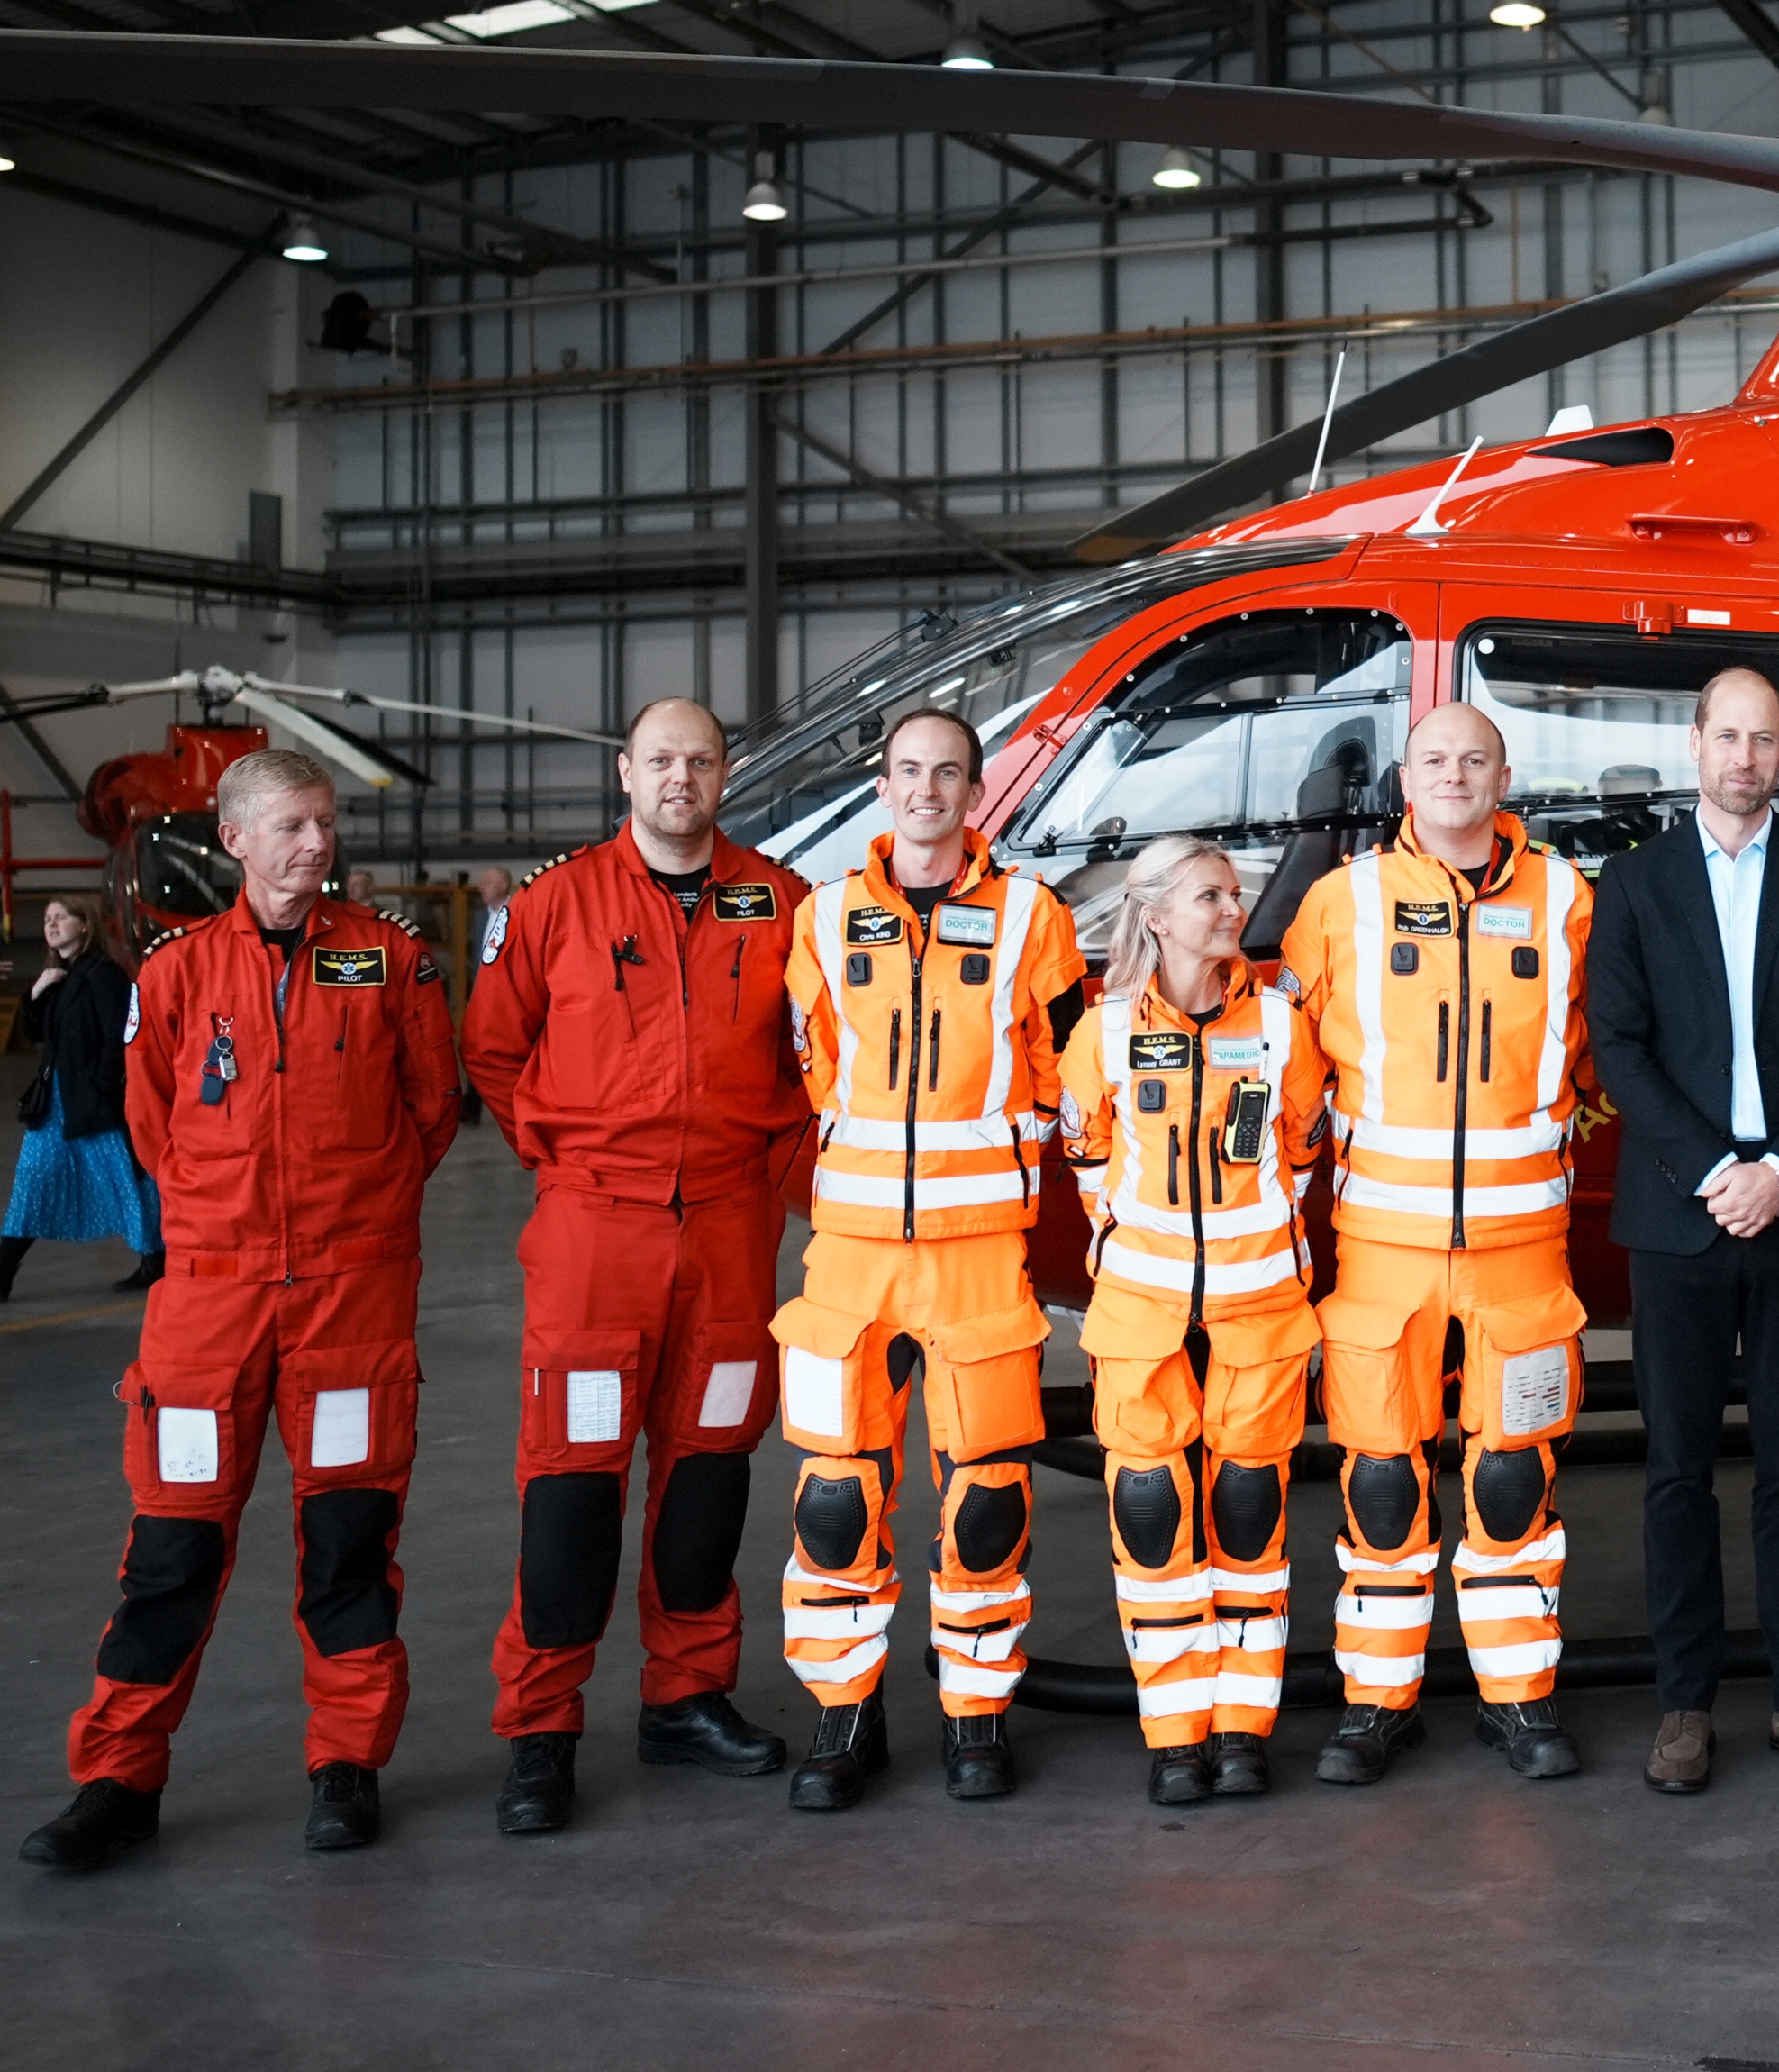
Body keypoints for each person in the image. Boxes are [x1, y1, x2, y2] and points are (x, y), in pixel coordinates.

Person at [19, 750, 459, 1869]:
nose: (315, 843)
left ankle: (345, 1766)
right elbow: (155, 1127)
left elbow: (429, 1112)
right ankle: (117, 1778)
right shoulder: (170, 978)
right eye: (293, 826)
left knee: (348, 1546)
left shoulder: (390, 958)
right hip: (206, 1308)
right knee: (169, 1550)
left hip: (352, 1302)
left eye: (326, 823)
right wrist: (231, 1229)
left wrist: (345, 1213)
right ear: (236, 841)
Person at [462, 699, 809, 1835]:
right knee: (571, 1483)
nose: (680, 777)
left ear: (724, 774)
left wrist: (768, 1179)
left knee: (710, 1470)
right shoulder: (555, 904)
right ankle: (542, 1727)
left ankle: (687, 1695)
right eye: (660, 759)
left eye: (699, 760)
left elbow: (818, 1055)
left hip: (726, 1233)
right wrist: (567, 1163)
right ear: (625, 772)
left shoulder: (781, 901)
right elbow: (494, 1049)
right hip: (594, 1239)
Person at [1586, 668, 1779, 1795]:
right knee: (1674, 1471)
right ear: (1695, 739)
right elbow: (1618, 1043)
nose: (1744, 757)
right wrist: (1719, 1169)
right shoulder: (1633, 880)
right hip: (1681, 1214)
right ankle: (1684, 1704)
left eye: (1763, 739)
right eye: (1727, 735)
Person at [773, 707, 1088, 1810]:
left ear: (973, 788)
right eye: (908, 771)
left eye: (947, 773)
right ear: (883, 782)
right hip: (849, 1256)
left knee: (985, 1496)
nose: (925, 791)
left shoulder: (1029, 918)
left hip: (976, 1256)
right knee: (834, 1498)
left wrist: (1007, 1153)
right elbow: (809, 1060)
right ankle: (842, 1720)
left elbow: (1064, 1062)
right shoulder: (821, 917)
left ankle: (975, 1716)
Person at [1284, 703, 1597, 1786]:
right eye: (1433, 758)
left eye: (1474, 757)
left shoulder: (1567, 899)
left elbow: (1599, 1062)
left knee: (1513, 1476)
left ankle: (1519, 1699)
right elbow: (1292, 1079)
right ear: (1403, 781)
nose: (1454, 774)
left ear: (1504, 772)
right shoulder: (1340, 903)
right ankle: (1376, 1703)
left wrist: (1554, 1149)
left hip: (1521, 1252)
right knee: (1380, 1480)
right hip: (1383, 1252)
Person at [1057, 837, 1325, 1805]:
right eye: (1208, 894)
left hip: (1261, 1304)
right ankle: (1175, 1732)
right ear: (1156, 916)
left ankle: (1244, 1728)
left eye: (1233, 892)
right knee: (1151, 1517)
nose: (1230, 906)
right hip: (1140, 1309)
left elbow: (1298, 1154)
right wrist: (1138, 1241)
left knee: (1250, 1515)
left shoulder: (1287, 1028)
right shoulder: (1103, 1031)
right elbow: (1087, 1157)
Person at [2, 895, 163, 1300]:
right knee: (32, 1180)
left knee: (127, 1179)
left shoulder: (103, 975)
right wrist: (36, 992)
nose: (51, 925)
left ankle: (155, 1259)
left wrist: (103, 1086)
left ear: (85, 925)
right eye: (46, 919)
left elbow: (119, 1036)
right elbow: (38, 1035)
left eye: (61, 917)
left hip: (94, 1102)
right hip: (55, 1104)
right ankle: (3, 1269)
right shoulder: (59, 975)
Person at [458, 865, 515, 1125]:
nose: (480, 887)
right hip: (483, 994)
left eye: (487, 883)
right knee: (475, 1047)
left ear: (502, 886)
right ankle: (472, 1104)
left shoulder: (519, 913)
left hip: (511, 997)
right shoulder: (480, 917)